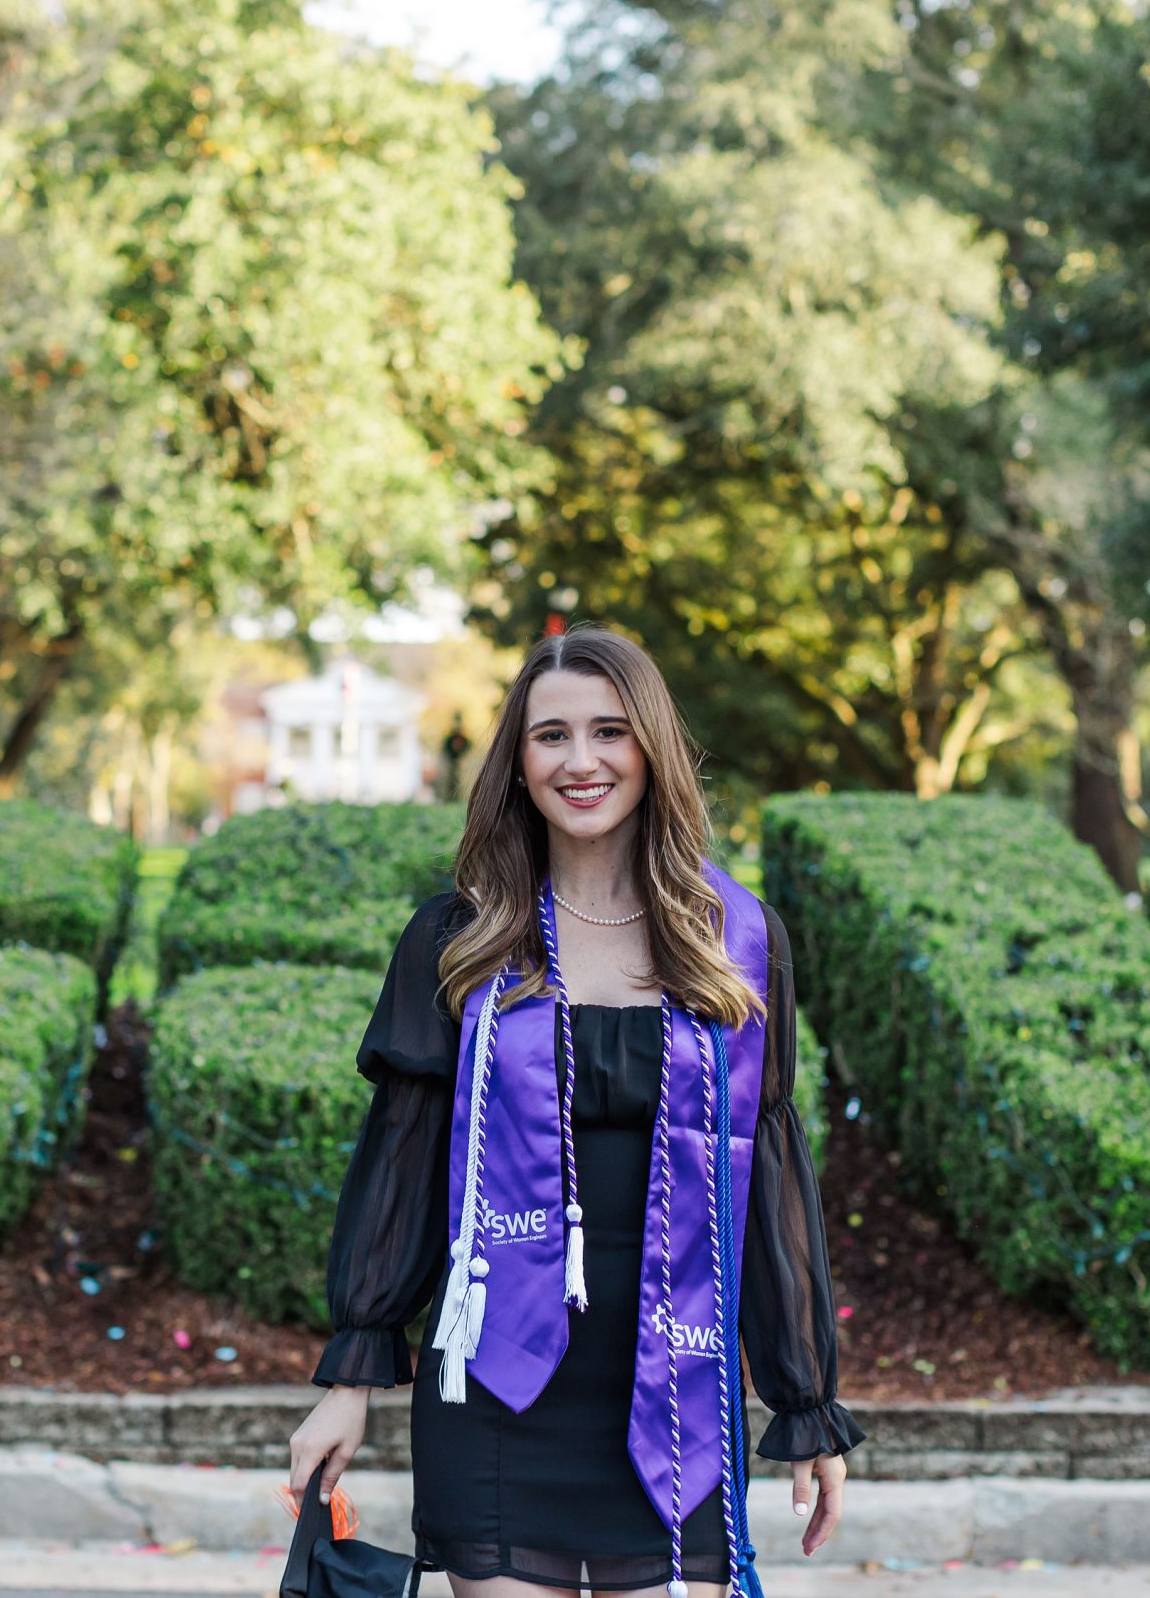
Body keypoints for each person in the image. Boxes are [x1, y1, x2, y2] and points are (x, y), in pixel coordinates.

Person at [287, 624, 863, 1598]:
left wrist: (805, 1401)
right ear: (516, 760)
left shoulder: (733, 944)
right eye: (551, 736)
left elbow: (766, 1170)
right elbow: (401, 1165)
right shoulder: (460, 940)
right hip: (499, 1395)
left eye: (610, 731)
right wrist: (350, 1385)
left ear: (653, 751)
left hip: (672, 1388)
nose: (581, 761)